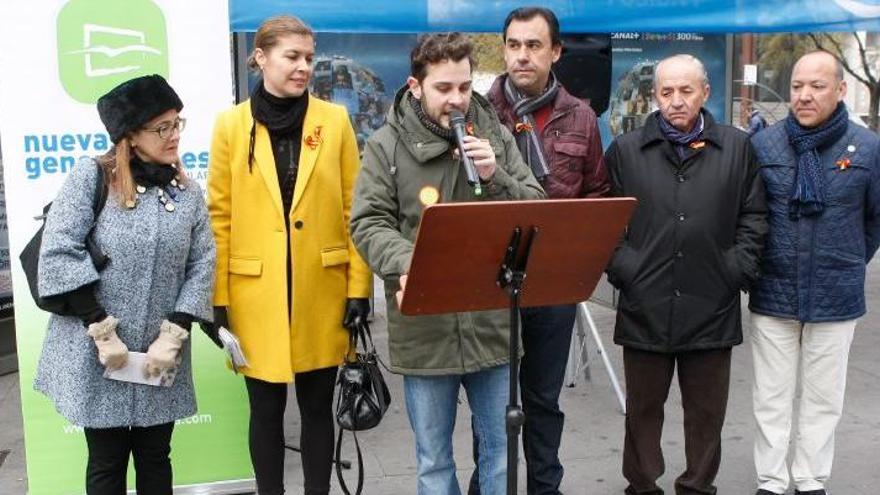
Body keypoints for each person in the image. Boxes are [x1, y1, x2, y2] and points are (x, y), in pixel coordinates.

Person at [350, 32, 545, 495]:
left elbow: (535, 207)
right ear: (415, 86)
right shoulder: (385, 145)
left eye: (464, 86)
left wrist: (496, 176)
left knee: (500, 455)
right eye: (443, 88)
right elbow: (368, 223)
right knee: (435, 462)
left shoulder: (494, 132)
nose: (456, 99)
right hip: (426, 329)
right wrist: (414, 266)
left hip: (493, 324)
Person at [206, 15, 372, 495]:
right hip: (254, 294)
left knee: (318, 408)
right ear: (259, 59)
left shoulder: (334, 120)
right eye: (292, 56)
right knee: (265, 411)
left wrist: (359, 289)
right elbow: (219, 217)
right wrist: (217, 298)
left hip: (322, 289)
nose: (303, 67)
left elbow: (353, 208)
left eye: (308, 57)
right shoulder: (230, 127)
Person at [34, 74, 215, 494]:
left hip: (158, 352)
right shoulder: (91, 177)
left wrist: (175, 333)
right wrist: (101, 330)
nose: (173, 136)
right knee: (107, 460)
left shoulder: (186, 191)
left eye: (177, 124)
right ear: (130, 136)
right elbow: (60, 252)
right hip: (98, 348)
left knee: (156, 455)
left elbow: (203, 261)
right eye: (161, 127)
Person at [604, 54, 767, 495]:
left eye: (686, 90)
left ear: (705, 91)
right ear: (655, 96)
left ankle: (697, 486)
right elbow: (605, 223)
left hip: (711, 303)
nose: (676, 101)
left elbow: (753, 216)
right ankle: (642, 486)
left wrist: (736, 269)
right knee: (642, 410)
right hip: (645, 304)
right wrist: (627, 270)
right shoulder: (626, 150)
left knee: (706, 413)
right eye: (666, 92)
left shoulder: (736, 148)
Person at [479, 7, 609, 494]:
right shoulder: (480, 111)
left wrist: (580, 264)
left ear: (555, 52)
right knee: (491, 405)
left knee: (543, 401)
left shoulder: (582, 117)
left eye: (533, 46)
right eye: (513, 45)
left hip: (553, 284)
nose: (522, 56)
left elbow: (598, 194)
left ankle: (544, 487)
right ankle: (489, 485)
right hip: (491, 282)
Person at [748, 50, 880, 495]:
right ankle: (771, 480)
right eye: (797, 86)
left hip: (836, 293)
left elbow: (874, 220)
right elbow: (750, 212)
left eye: (816, 86)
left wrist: (846, 260)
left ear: (840, 90)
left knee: (824, 400)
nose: (803, 96)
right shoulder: (765, 144)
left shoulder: (867, 148)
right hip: (774, 290)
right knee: (771, 397)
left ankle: (809, 480)